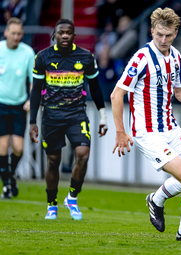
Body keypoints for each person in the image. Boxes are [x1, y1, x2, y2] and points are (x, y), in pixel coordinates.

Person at [111, 7, 181, 241]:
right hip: (147, 132)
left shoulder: (175, 56)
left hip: (171, 128)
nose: (163, 40)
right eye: (159, 35)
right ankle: (156, 200)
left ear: (176, 33)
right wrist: (120, 132)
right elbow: (117, 95)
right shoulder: (141, 58)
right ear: (151, 31)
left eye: (168, 35)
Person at [29, 19, 108, 220]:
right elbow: (36, 91)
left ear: (74, 35)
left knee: (83, 153)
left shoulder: (86, 57)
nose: (65, 35)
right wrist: (32, 121)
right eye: (61, 32)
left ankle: (72, 197)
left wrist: (102, 115)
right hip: (51, 116)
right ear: (54, 35)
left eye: (69, 32)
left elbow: (95, 87)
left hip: (76, 114)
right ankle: (51, 205)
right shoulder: (43, 57)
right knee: (53, 161)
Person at [0, 17, 34, 199]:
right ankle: (6, 184)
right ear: (6, 33)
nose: (16, 37)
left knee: (18, 148)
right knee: (2, 147)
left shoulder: (27, 53)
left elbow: (32, 80)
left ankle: (10, 176)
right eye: (13, 33)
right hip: (1, 104)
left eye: (19, 34)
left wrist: (30, 99)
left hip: (19, 105)